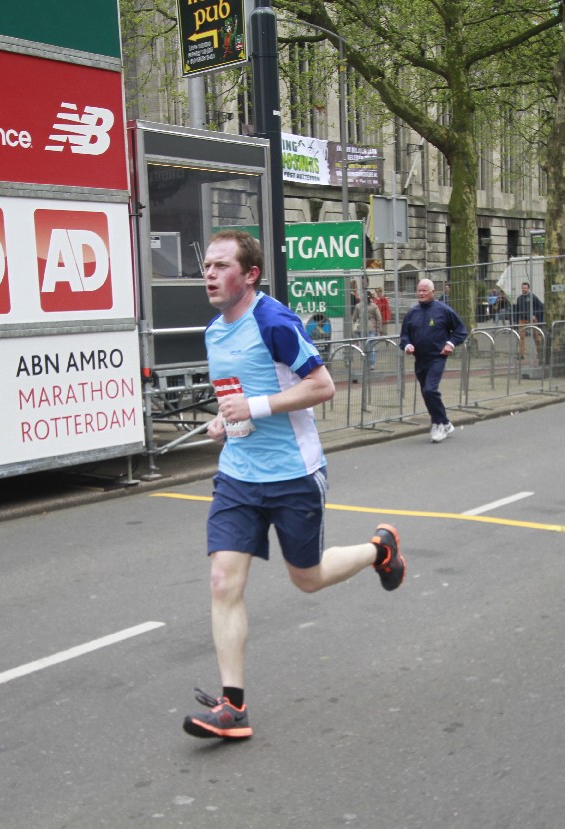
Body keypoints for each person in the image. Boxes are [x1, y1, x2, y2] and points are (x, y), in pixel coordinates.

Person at [183, 230, 405, 740]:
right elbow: (239, 397)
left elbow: (322, 386)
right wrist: (225, 421)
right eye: (207, 267)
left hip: (293, 474)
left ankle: (380, 549)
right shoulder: (215, 332)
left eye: (221, 266)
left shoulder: (274, 321)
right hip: (239, 475)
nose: (210, 275)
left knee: (307, 578)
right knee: (223, 582)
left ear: (250, 274)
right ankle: (233, 706)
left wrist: (254, 407)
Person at [400, 278, 468, 443]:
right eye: (419, 290)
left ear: (433, 292)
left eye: (424, 290)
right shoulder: (412, 313)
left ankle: (438, 424)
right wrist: (407, 345)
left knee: (430, 389)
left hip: (437, 357)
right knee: (426, 392)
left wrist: (451, 344)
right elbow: (404, 335)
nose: (421, 293)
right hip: (420, 358)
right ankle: (444, 422)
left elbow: (460, 330)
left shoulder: (443, 310)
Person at [513, 280, 545, 360]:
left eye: (525, 288)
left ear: (528, 288)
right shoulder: (519, 298)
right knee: (521, 337)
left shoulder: (532, 296)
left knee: (536, 336)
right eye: (523, 288)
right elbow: (517, 310)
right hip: (522, 319)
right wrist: (516, 320)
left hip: (532, 320)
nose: (524, 289)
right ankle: (522, 354)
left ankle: (540, 353)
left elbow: (540, 306)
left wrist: (535, 315)